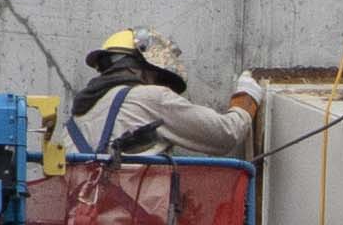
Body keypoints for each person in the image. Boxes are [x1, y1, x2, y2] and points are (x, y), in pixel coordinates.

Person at [69, 29, 258, 165]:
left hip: (83, 219)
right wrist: (246, 98)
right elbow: (225, 134)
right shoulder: (152, 98)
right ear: (148, 69)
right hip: (134, 218)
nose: (162, 85)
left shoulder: (79, 117)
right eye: (160, 78)